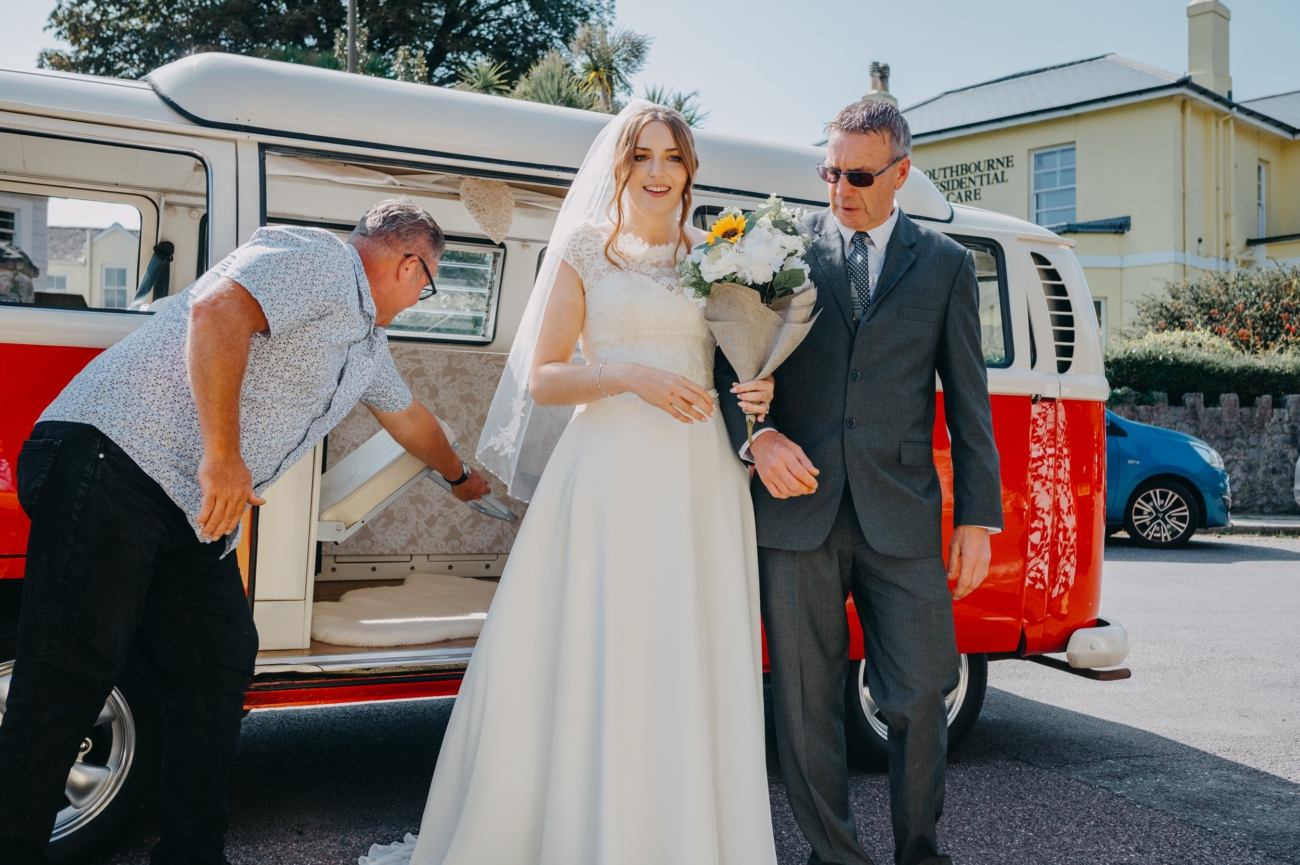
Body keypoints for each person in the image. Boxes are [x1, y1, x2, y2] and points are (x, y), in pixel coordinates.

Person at [0, 198, 490, 865]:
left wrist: (463, 478)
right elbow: (218, 311)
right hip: (113, 457)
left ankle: (192, 855)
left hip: (187, 506)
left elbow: (411, 422)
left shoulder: (367, 344)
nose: (420, 297)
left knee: (218, 661)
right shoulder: (319, 258)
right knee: (70, 673)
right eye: (428, 283)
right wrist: (224, 456)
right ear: (409, 263)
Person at [359, 104, 778, 865]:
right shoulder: (585, 247)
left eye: (673, 158)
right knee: (600, 642)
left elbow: (739, 359)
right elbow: (544, 377)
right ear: (618, 165)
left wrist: (760, 389)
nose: (657, 172)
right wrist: (625, 374)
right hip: (609, 473)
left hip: (698, 476)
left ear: (689, 170)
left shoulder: (719, 252)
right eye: (642, 156)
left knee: (685, 649)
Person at [715, 100, 1003, 865]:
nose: (840, 187)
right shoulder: (775, 252)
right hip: (794, 508)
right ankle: (833, 856)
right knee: (807, 704)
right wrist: (757, 438)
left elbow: (968, 399)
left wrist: (978, 516)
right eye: (831, 170)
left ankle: (919, 850)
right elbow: (725, 367)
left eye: (860, 174)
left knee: (917, 695)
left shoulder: (944, 265)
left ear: (902, 172)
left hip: (902, 512)